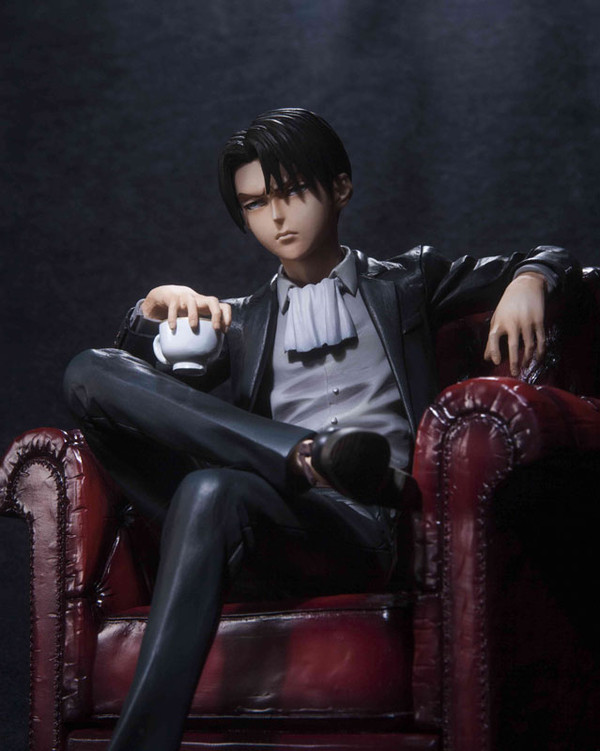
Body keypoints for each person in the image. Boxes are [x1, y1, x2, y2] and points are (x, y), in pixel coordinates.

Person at [63, 108, 579, 751]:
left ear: (339, 187)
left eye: (291, 193)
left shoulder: (406, 283)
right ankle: (304, 454)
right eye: (256, 204)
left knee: (210, 489)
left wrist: (531, 277)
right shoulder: (240, 323)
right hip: (274, 519)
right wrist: (151, 311)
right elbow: (134, 396)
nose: (276, 218)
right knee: (91, 374)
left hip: (369, 522)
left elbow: (557, 258)